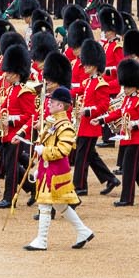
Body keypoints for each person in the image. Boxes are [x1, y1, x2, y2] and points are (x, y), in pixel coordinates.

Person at [25, 85, 95, 251]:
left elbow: (63, 151)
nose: (49, 104)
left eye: (53, 102)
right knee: (60, 205)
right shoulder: (54, 123)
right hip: (48, 170)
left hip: (55, 172)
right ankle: (83, 231)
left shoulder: (66, 127)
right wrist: (39, 167)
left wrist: (44, 151)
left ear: (61, 106)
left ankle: (42, 240)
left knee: (44, 205)